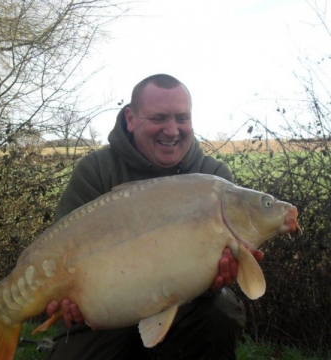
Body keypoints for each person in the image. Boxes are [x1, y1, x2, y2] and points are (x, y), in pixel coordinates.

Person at [44, 74, 264, 360]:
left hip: (184, 309)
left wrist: (220, 277)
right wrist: (64, 299)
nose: (172, 130)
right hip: (102, 317)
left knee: (219, 312)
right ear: (131, 119)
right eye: (159, 118)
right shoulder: (96, 170)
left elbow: (217, 269)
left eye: (182, 118)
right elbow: (59, 255)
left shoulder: (214, 179)